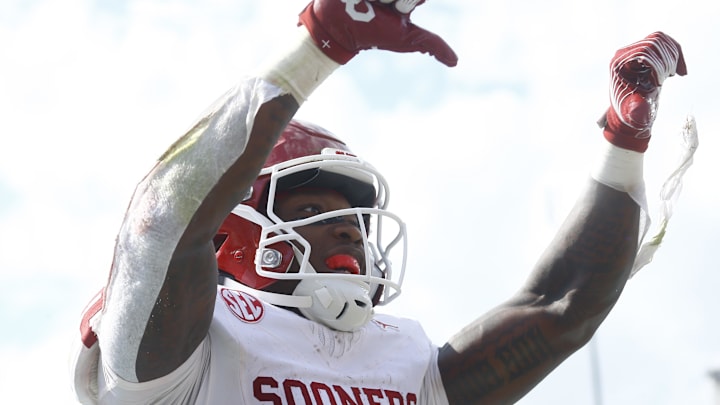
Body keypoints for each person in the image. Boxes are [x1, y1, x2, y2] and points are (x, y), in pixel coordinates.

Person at [70, 0, 690, 404]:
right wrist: (322, 40)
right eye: (313, 212)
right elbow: (162, 223)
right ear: (230, 234)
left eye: (354, 219)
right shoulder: (185, 350)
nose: (349, 233)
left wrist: (623, 139)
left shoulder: (402, 359)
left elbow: (561, 309)